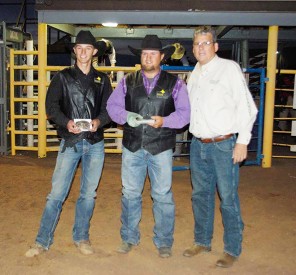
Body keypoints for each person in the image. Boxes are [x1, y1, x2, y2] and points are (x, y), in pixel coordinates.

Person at [25, 30, 112, 257]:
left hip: (94, 143)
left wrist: (98, 121)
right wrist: (67, 122)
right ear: (75, 51)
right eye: (79, 48)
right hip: (70, 142)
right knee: (56, 194)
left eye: (88, 48)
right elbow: (51, 107)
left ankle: (81, 237)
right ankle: (42, 241)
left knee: (88, 194)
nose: (83, 52)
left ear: (94, 52)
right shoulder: (62, 77)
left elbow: (109, 110)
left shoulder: (102, 80)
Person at [106, 34, 190, 258]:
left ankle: (164, 241)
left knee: (162, 195)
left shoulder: (176, 83)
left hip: (160, 147)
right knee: (130, 193)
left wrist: (165, 121)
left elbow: (184, 114)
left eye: (153, 53)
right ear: (140, 57)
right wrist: (125, 116)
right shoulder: (127, 81)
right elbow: (112, 106)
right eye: (145, 53)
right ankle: (128, 237)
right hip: (132, 146)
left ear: (161, 57)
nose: (148, 57)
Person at [183, 26, 258, 268]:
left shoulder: (229, 69)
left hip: (224, 145)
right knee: (200, 196)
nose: (200, 48)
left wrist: (242, 141)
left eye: (205, 43)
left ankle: (232, 248)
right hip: (198, 145)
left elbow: (247, 107)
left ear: (215, 46)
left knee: (227, 197)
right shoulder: (195, 72)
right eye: (197, 45)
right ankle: (202, 241)